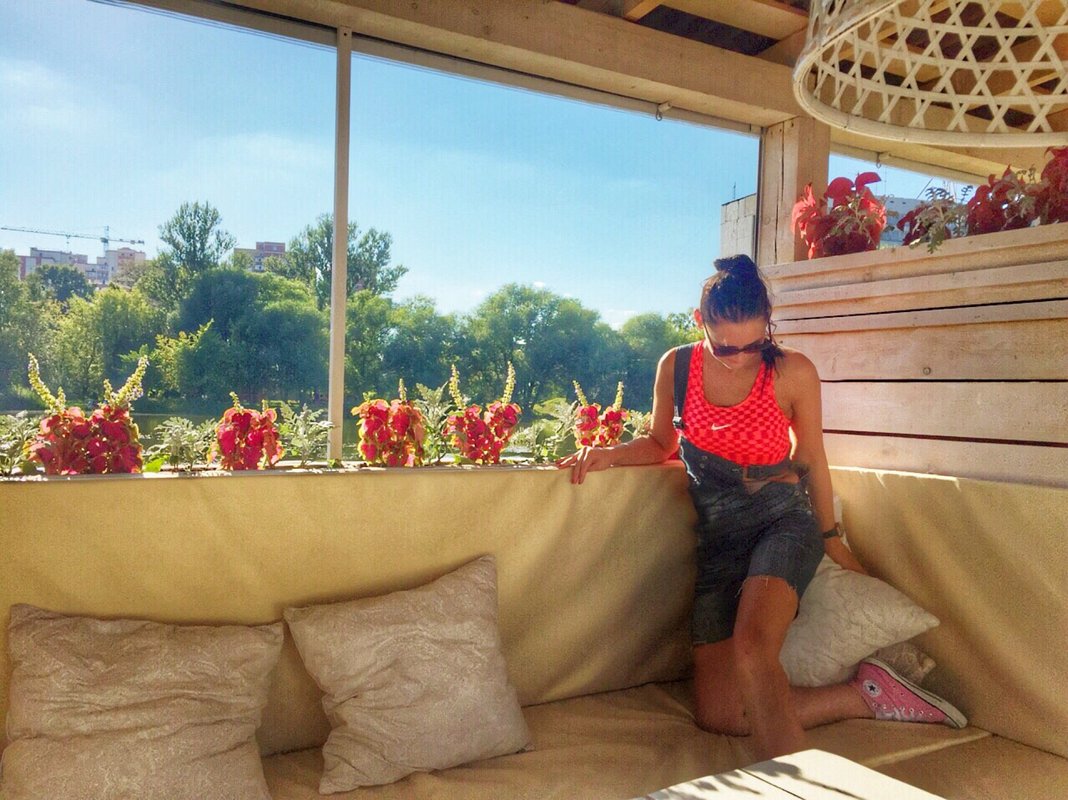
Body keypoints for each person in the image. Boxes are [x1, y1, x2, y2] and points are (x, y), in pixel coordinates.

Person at [557, 254, 966, 759]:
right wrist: (609, 454)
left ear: (768, 323)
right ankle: (866, 695)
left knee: (754, 649)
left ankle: (798, 787)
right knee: (721, 716)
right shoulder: (677, 366)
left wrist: (831, 539)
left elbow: (810, 457)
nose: (738, 357)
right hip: (720, 540)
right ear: (699, 321)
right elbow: (662, 443)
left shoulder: (793, 371)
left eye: (753, 344)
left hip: (781, 521)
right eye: (725, 346)